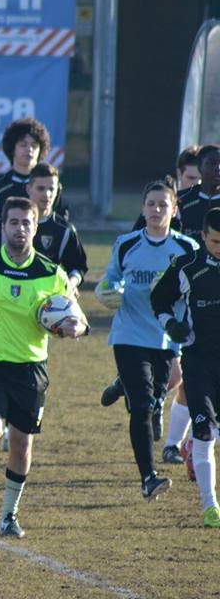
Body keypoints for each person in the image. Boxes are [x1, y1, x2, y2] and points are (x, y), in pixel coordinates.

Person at [0, 197, 88, 537]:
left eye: (27, 223)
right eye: (14, 222)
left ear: (36, 228)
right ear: (3, 226)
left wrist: (74, 328)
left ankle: (9, 515)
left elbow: (78, 318)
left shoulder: (53, 274)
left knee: (22, 444)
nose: (20, 228)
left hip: (30, 370)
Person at [96, 179, 196, 500]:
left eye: (163, 205)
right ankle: (148, 478)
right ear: (143, 208)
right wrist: (108, 291)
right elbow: (110, 279)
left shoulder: (186, 249)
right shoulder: (126, 244)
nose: (156, 210)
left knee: (155, 397)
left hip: (166, 340)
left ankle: (123, 385)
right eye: (151, 204)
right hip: (128, 334)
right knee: (141, 407)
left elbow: (195, 290)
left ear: (174, 210)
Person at [150, 207, 220, 528]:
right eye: (216, 241)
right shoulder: (188, 267)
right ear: (203, 237)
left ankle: (190, 445)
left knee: (212, 433)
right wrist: (171, 324)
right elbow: (160, 299)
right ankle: (211, 506)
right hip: (199, 361)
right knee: (205, 432)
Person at [0, 163, 87, 291]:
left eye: (52, 189)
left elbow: (78, 267)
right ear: (29, 189)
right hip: (6, 296)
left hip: (45, 301)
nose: (47, 194)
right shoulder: (8, 223)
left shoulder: (64, 230)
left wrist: (71, 284)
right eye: (41, 188)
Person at [0, 118, 70, 248]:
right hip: (1, 261)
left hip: (39, 260)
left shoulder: (51, 186)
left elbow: (61, 223)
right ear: (12, 148)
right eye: (23, 145)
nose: (29, 150)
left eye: (34, 145)